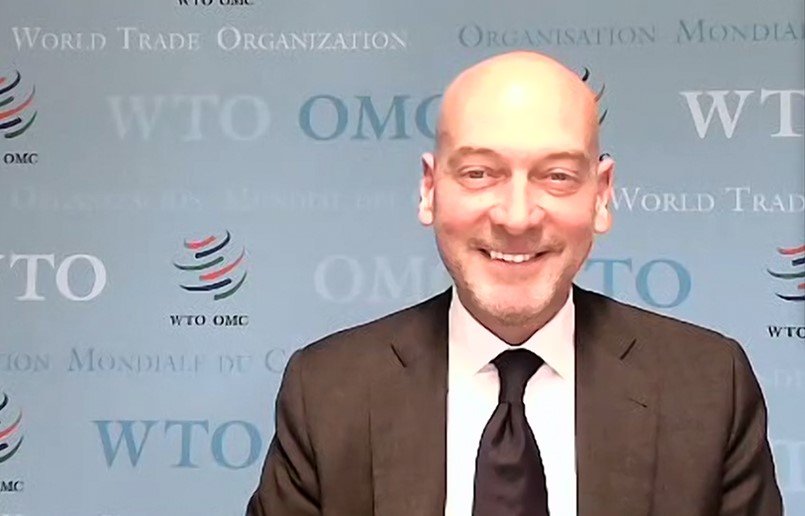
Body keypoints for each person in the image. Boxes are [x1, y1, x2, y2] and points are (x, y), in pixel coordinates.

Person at [246, 51, 783, 516]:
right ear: (430, 189)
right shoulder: (326, 393)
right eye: (480, 173)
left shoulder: (710, 389)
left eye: (557, 176)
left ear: (600, 195)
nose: (518, 216)